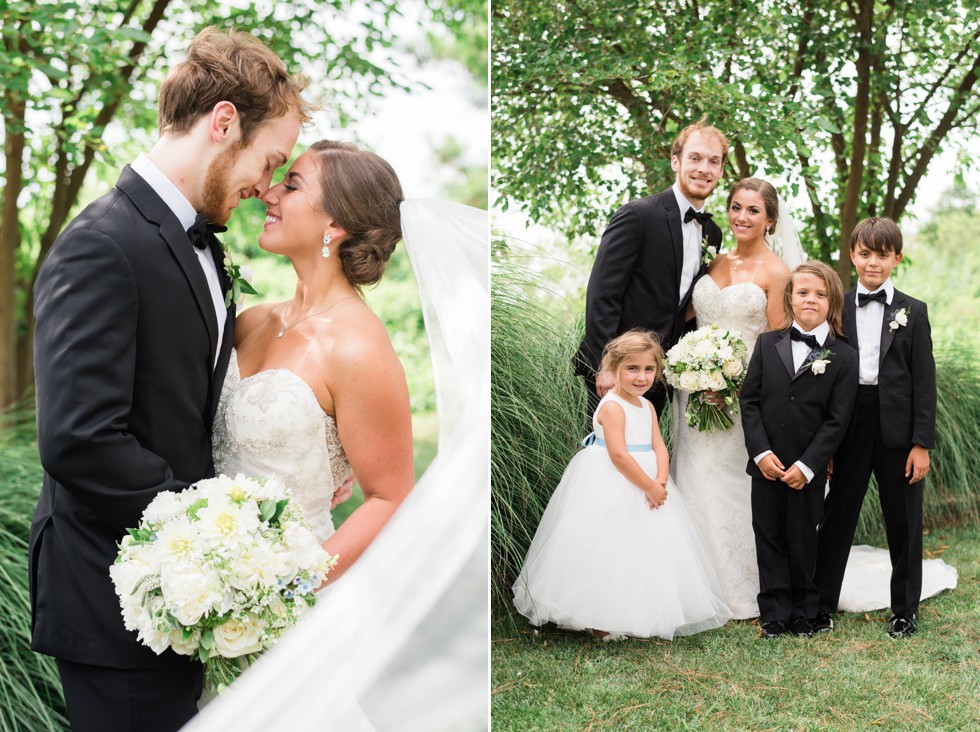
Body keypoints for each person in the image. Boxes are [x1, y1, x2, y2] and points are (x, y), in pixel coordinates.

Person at [29, 28, 306, 732]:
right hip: (114, 595)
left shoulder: (199, 243)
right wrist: (218, 535)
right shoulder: (101, 244)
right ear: (223, 123)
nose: (266, 186)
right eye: (269, 160)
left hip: (175, 595)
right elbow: (79, 439)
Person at [212, 140, 414, 581]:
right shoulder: (251, 320)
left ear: (335, 222)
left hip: (290, 597)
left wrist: (293, 589)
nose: (269, 193)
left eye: (292, 186)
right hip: (205, 574)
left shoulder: (356, 347)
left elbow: (389, 498)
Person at [513, 330, 731, 641]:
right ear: (613, 369)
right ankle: (599, 618)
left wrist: (660, 479)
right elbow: (618, 455)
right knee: (607, 547)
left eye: (648, 369)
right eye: (632, 368)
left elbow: (659, 446)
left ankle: (638, 609)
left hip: (648, 480)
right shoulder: (613, 406)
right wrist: (648, 486)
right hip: (612, 480)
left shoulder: (647, 406)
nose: (641, 377)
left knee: (644, 548)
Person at [815, 218, 951, 638]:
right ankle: (820, 605)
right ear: (853, 255)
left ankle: (904, 610)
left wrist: (921, 443)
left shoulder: (914, 311)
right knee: (838, 515)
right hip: (850, 423)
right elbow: (827, 379)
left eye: (882, 254)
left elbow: (924, 383)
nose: (873, 262)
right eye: (865, 253)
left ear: (897, 257)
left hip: (899, 426)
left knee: (904, 521)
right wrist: (828, 443)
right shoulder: (836, 307)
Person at [669, 177, 791, 619]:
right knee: (692, 473)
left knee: (728, 481)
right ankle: (692, 581)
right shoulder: (715, 260)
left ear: (770, 220)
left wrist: (730, 384)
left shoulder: (777, 273)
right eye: (736, 207)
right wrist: (691, 367)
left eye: (753, 210)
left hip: (740, 399)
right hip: (694, 394)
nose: (741, 217)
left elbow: (778, 346)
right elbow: (689, 317)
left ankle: (739, 586)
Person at [575, 119, 728, 417]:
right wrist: (605, 365)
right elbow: (602, 294)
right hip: (616, 372)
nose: (703, 169)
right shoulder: (637, 216)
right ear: (675, 162)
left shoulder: (714, 233)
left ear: (721, 170)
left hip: (661, 376)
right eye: (694, 158)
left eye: (714, 161)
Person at [740, 262, 859, 639]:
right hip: (767, 464)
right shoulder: (765, 344)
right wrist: (760, 454)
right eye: (803, 292)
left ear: (833, 303)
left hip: (807, 468)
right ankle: (774, 612)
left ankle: (805, 611)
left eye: (821, 294)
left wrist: (810, 465)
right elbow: (750, 403)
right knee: (768, 534)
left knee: (803, 536)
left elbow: (837, 420)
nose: (811, 299)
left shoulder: (843, 356)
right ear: (790, 298)